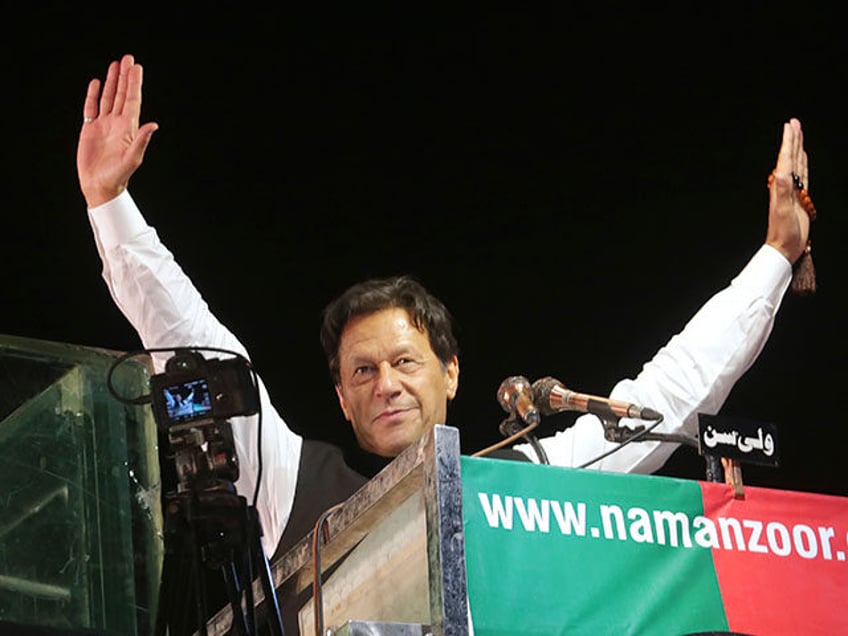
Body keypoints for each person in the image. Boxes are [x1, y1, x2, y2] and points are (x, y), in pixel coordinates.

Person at [77, 54, 811, 631]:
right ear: (339, 396)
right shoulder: (293, 480)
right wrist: (111, 204)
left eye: (404, 362)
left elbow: (669, 391)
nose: (384, 384)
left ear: (452, 372)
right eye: (361, 372)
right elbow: (200, 350)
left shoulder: (531, 473)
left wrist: (778, 254)